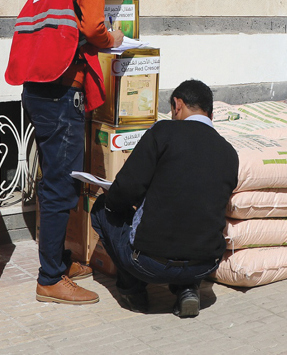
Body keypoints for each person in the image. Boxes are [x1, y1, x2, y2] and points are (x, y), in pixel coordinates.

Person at [5, 0, 126, 305]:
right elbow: (92, 28)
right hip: (60, 96)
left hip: (37, 90)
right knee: (62, 185)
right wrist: (112, 40)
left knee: (52, 181)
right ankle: (49, 279)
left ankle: (56, 261)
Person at [91, 79, 239, 318]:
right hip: (206, 264)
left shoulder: (163, 132)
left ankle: (133, 292)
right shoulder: (229, 152)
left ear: (177, 105)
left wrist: (115, 202)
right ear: (210, 114)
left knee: (101, 210)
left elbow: (126, 189)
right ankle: (188, 288)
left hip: (150, 264)